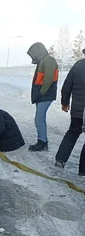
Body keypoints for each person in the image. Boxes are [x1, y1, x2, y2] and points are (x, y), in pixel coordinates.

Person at [54, 48, 85, 176]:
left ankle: (60, 159)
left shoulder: (78, 65)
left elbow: (67, 85)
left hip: (77, 111)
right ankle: (83, 170)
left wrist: (65, 102)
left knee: (72, 132)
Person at [26, 42, 59, 151]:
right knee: (41, 118)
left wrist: (41, 92)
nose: (32, 57)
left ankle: (42, 142)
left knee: (38, 119)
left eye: (32, 54)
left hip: (45, 95)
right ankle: (43, 141)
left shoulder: (48, 60)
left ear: (37, 52)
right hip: (42, 95)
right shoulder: (42, 61)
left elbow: (48, 79)